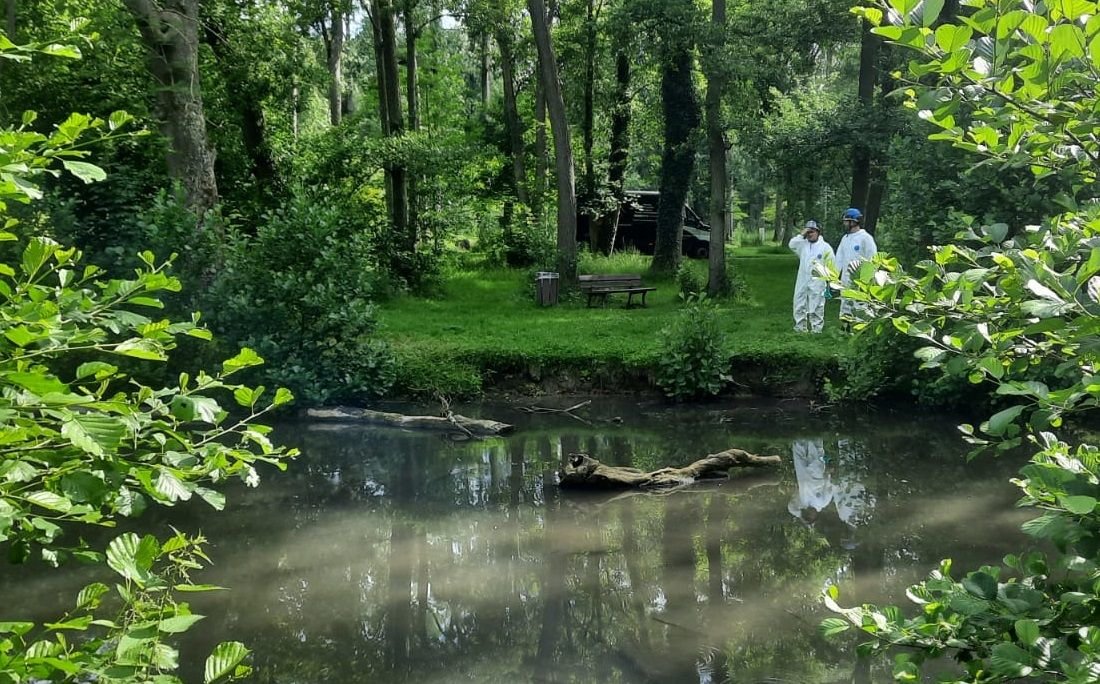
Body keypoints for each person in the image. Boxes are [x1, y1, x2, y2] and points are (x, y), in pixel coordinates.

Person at [788, 219, 835, 333]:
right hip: (803, 278)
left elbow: (832, 265)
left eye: (812, 231)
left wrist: (830, 282)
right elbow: (791, 244)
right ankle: (800, 328)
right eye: (808, 232)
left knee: (817, 305)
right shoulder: (802, 245)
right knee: (799, 302)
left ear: (818, 232)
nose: (810, 234)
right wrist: (802, 234)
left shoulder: (825, 247)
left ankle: (816, 329)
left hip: (818, 280)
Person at [834, 208, 878, 325]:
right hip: (845, 279)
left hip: (860, 279)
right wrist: (834, 277)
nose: (844, 224)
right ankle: (845, 329)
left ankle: (861, 330)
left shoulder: (865, 238)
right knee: (845, 304)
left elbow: (873, 259)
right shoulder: (845, 239)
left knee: (860, 305)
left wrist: (869, 278)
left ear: (853, 222)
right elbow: (839, 259)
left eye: (846, 221)